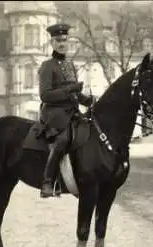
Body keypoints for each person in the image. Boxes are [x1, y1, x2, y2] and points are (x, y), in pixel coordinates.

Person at [38, 23, 94, 198]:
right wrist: (70, 90)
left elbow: (75, 94)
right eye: (58, 40)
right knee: (62, 140)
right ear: (52, 43)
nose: (62, 43)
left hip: (71, 111)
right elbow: (45, 95)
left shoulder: (70, 65)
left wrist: (88, 100)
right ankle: (47, 182)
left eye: (64, 40)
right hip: (54, 113)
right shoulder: (48, 66)